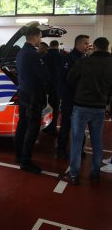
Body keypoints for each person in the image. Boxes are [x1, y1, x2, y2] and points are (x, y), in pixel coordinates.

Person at [60, 37, 112, 185]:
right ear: (107, 47)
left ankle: (74, 175)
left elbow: (70, 78)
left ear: (94, 47)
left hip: (81, 105)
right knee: (97, 141)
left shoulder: (85, 61)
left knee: (76, 141)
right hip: (100, 107)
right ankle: (95, 173)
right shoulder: (110, 63)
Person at [15, 26, 49, 174]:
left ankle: (18, 155)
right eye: (40, 37)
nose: (40, 40)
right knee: (33, 127)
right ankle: (26, 161)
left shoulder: (21, 52)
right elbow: (44, 75)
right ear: (35, 37)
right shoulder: (33, 54)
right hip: (32, 96)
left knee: (22, 124)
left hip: (23, 92)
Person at [56, 35, 90, 159]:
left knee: (81, 125)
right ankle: (61, 149)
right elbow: (65, 79)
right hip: (70, 98)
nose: (87, 46)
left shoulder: (85, 58)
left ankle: (79, 149)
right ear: (78, 44)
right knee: (66, 124)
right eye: (85, 43)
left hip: (81, 98)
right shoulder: (68, 59)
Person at [42, 40, 63, 135]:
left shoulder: (44, 57)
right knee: (55, 108)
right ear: (57, 46)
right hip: (57, 86)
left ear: (50, 46)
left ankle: (45, 126)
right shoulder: (62, 57)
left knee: (46, 107)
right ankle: (53, 128)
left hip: (45, 87)